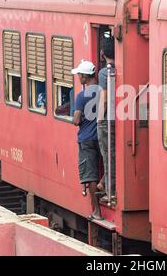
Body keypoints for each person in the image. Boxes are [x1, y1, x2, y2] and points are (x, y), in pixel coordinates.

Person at [71, 60, 102, 220]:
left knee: (90, 175)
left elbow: (76, 120)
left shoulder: (81, 96)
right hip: (101, 137)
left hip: (87, 139)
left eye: (78, 75)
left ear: (84, 76)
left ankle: (96, 211)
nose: (78, 77)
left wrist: (77, 117)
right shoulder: (103, 91)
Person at [96, 34, 116, 200]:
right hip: (122, 118)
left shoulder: (104, 73)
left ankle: (110, 190)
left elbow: (104, 97)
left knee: (107, 154)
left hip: (108, 119)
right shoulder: (121, 68)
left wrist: (99, 118)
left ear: (102, 53)